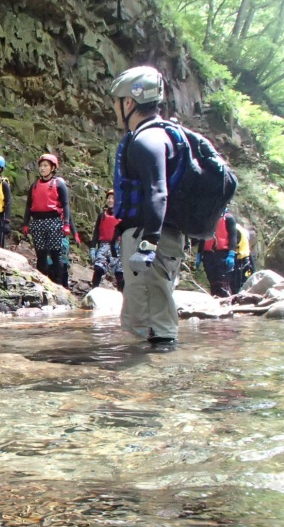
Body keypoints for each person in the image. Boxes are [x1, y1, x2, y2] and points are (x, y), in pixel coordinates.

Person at [110, 65, 186, 346]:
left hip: (149, 236)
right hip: (157, 235)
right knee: (147, 320)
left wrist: (148, 244)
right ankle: (148, 384)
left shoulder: (146, 140)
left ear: (129, 101)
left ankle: (155, 384)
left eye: (116, 102)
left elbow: (158, 192)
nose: (115, 109)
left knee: (153, 323)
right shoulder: (160, 135)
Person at [21, 154, 72, 285]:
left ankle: (59, 283)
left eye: (46, 166)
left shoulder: (59, 184)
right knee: (41, 255)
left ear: (53, 168)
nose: (42, 169)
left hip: (53, 221)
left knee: (56, 255)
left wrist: (66, 224)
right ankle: (41, 283)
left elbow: (65, 204)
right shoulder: (34, 186)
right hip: (37, 222)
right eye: (41, 166)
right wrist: (26, 223)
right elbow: (28, 206)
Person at [195, 208, 238, 297]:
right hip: (208, 255)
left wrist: (231, 254)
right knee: (213, 282)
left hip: (223, 254)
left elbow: (233, 237)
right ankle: (216, 299)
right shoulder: (208, 218)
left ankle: (226, 300)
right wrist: (199, 253)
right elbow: (202, 238)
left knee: (223, 282)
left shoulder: (229, 218)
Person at [90, 189, 124, 290]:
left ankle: (123, 298)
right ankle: (93, 290)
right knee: (98, 269)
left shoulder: (122, 216)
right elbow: (96, 232)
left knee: (120, 274)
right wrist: (92, 247)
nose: (110, 200)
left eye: (113, 198)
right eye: (108, 198)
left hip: (118, 247)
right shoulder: (102, 216)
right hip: (103, 246)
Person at [232, 222, 255, 293]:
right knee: (243, 281)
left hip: (240, 259)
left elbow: (234, 243)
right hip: (245, 258)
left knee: (237, 283)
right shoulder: (241, 229)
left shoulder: (234, 228)